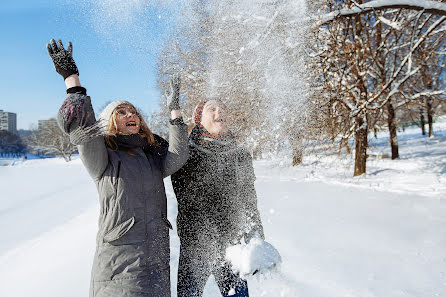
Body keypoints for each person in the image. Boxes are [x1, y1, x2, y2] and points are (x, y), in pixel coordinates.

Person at [46, 38, 188, 297]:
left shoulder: (150, 155)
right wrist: (71, 79)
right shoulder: (103, 155)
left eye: (133, 112)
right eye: (121, 112)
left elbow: (178, 156)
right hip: (120, 264)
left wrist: (175, 111)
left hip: (156, 258)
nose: (130, 115)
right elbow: (84, 129)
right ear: (110, 122)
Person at [171, 99, 265, 297]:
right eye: (211, 108)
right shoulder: (186, 154)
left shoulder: (240, 155)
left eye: (223, 107)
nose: (219, 110)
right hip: (196, 245)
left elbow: (249, 200)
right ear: (198, 120)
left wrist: (257, 239)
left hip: (232, 243)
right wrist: (176, 118)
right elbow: (183, 190)